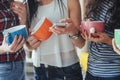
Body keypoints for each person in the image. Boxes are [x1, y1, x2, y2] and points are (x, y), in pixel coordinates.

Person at [50, 0, 120, 80]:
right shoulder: (94, 2)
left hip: (114, 73)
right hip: (91, 71)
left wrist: (108, 40)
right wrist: (73, 29)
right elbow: (81, 43)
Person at [26, 0, 83, 80]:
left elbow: (81, 44)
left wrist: (71, 30)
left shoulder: (70, 1)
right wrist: (30, 44)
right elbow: (28, 46)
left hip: (67, 69)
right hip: (40, 69)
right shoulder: (27, 4)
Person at [0, 0, 27, 80]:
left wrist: (24, 19)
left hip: (20, 62)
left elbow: (23, 34)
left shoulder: (9, 2)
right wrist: (3, 49)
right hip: (3, 68)